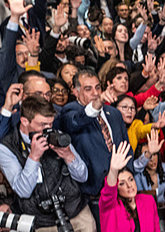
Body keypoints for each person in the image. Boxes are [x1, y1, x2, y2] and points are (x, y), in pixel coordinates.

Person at [0, 95, 97, 232]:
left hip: (76, 208)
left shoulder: (56, 134)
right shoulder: (5, 147)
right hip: (42, 219)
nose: (48, 129)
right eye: (42, 125)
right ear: (25, 121)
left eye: (50, 123)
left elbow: (83, 176)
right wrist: (33, 157)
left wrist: (68, 156)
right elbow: (23, 191)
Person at [59, 69, 142, 197]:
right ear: (76, 91)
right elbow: (76, 122)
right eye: (88, 89)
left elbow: (126, 146)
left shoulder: (114, 113)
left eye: (98, 87)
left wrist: (127, 175)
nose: (95, 93)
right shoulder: (71, 111)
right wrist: (97, 104)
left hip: (121, 186)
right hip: (94, 190)